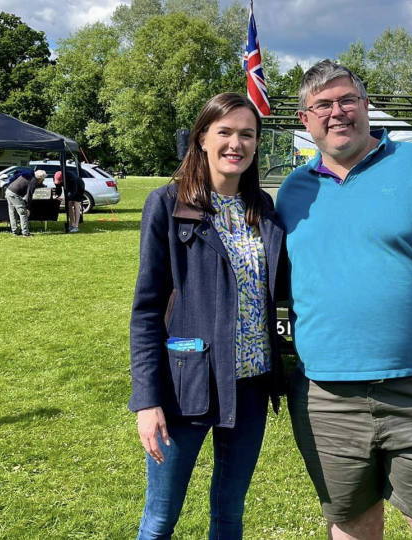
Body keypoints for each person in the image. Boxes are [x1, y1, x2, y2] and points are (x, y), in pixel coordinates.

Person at [277, 60, 412, 540]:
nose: (338, 112)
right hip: (327, 396)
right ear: (305, 120)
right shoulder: (294, 190)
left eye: (347, 100)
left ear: (366, 106)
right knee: (351, 523)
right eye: (323, 105)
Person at [129, 92, 286, 539]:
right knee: (160, 518)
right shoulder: (168, 205)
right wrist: (146, 399)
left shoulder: (263, 210)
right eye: (225, 132)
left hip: (251, 385)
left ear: (257, 145)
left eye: (247, 134)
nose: (236, 143)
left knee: (229, 515)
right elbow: (146, 309)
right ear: (201, 138)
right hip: (186, 386)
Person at [5, 169, 46, 236]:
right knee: (23, 212)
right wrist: (27, 208)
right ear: (40, 178)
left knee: (12, 212)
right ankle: (25, 232)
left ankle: (15, 231)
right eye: (43, 179)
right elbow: (29, 195)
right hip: (15, 193)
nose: (43, 180)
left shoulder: (29, 175)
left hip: (9, 190)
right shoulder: (33, 180)